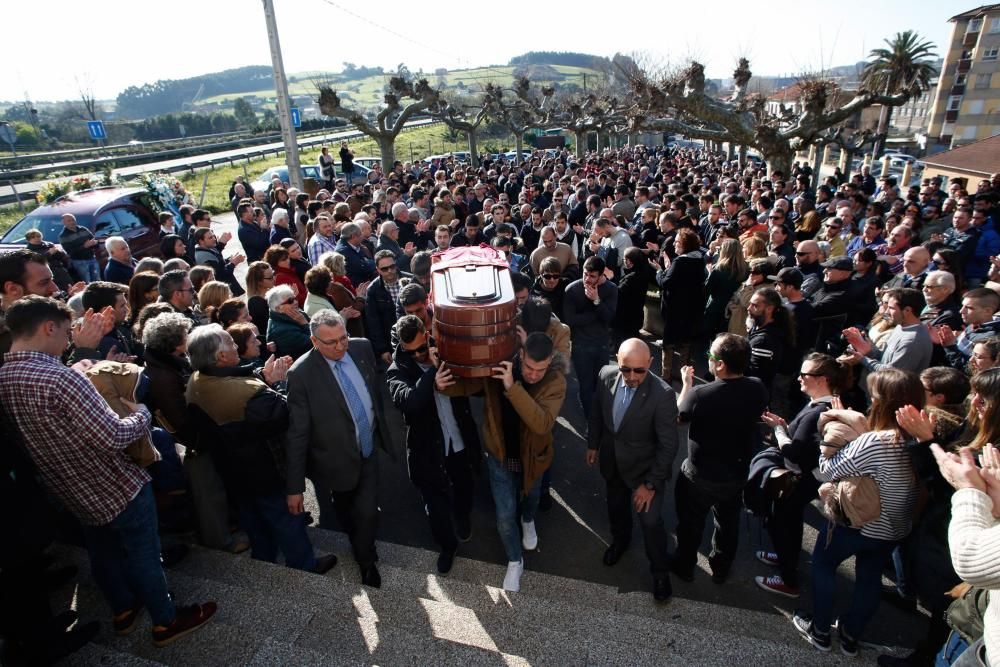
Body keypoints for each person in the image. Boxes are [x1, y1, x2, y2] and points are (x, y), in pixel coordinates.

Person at [0, 296, 217, 646]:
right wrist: (141, 414)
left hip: (68, 487)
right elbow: (113, 435)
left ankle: (123, 609)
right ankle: (167, 620)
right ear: (48, 327)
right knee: (144, 553)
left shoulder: (5, 374)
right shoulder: (59, 378)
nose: (69, 340)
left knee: (102, 550)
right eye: (67, 332)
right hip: (114, 484)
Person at [185, 325, 336, 575]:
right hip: (265, 471)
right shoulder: (245, 393)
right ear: (220, 357)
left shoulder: (197, 381)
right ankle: (304, 565)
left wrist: (263, 378)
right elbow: (281, 414)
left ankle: (264, 561)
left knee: (253, 520)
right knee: (287, 519)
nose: (235, 346)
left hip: (232, 471)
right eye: (230, 344)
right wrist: (277, 384)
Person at [793, 368, 924, 657]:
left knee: (823, 565)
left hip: (856, 524)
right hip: (893, 528)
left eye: (875, 395)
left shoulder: (876, 441)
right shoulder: (921, 439)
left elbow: (828, 470)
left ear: (886, 403)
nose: (870, 400)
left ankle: (821, 631)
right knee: (869, 578)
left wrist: (836, 428)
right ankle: (851, 637)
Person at [440, 332, 566, 593]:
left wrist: (512, 387)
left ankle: (529, 520)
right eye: (529, 367)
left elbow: (541, 423)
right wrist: (441, 383)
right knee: (505, 517)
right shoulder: (501, 368)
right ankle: (514, 560)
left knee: (530, 499)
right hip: (499, 457)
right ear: (521, 355)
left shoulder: (556, 381)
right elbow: (468, 386)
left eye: (539, 370)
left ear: (550, 361)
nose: (533, 374)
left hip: (533, 458)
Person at [285, 310, 395, 588]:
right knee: (347, 511)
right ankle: (357, 536)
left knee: (369, 512)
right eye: (331, 342)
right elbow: (298, 433)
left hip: (367, 450)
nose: (340, 346)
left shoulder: (362, 347)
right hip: (334, 461)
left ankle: (366, 561)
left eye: (343, 337)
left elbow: (373, 392)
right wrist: (294, 486)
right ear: (314, 341)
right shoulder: (301, 375)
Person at [672, 333, 769, 584]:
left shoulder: (701, 394)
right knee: (727, 524)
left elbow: (679, 417)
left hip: (699, 476)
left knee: (690, 524)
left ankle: (685, 566)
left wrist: (686, 385)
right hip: (736, 474)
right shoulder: (757, 387)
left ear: (720, 364)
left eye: (710, 356)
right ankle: (721, 567)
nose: (709, 360)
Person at [586, 339, 679, 602]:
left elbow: (668, 446)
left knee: (650, 524)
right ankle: (620, 542)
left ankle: (660, 574)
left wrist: (649, 485)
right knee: (615, 506)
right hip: (613, 462)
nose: (632, 377)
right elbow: (596, 412)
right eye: (626, 369)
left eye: (639, 370)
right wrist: (593, 443)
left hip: (645, 471)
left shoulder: (663, 395)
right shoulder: (606, 374)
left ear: (650, 363)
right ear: (617, 360)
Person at [386, 315, 479, 575]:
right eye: (410, 351)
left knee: (465, 486)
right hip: (428, 451)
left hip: (458, 440)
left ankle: (463, 520)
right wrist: (431, 379)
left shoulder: (445, 350)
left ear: (427, 335)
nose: (417, 355)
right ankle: (447, 546)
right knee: (436, 507)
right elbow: (410, 402)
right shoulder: (397, 370)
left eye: (421, 348)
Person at [755, 353, 846, 598]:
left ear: (823, 379)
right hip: (808, 480)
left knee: (782, 522)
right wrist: (786, 426)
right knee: (791, 522)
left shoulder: (818, 411)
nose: (799, 379)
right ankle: (785, 557)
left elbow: (795, 454)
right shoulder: (823, 404)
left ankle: (788, 579)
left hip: (797, 480)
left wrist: (778, 431)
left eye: (805, 375)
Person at [563, 256, 618, 413]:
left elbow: (609, 317)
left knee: (601, 385)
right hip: (581, 345)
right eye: (585, 274)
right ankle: (591, 422)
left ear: (601, 276)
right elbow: (571, 320)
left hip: (601, 344)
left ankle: (599, 416)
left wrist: (596, 301)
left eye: (592, 276)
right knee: (586, 386)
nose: (587, 279)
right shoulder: (572, 290)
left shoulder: (611, 289)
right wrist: (597, 314)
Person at [655, 228, 706, 379]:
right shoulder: (699, 260)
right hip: (692, 309)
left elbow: (665, 283)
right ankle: (684, 374)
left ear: (686, 244)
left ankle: (666, 374)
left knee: (669, 341)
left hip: (675, 309)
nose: (675, 244)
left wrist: (660, 271)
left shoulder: (680, 262)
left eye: (678, 242)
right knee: (686, 341)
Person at [365, 250, 406, 367]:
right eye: (384, 269)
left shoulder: (409, 280)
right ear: (378, 270)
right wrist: (382, 349)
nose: (389, 271)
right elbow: (373, 323)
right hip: (392, 343)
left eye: (392, 266)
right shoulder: (373, 290)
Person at [704, 239, 748, 337]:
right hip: (735, 309)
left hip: (717, 309)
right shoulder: (746, 269)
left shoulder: (719, 269)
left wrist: (710, 274)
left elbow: (707, 290)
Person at [192, 228, 245, 298]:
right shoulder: (203, 256)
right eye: (210, 238)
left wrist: (228, 260)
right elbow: (220, 275)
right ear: (201, 241)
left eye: (213, 236)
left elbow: (218, 259)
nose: (214, 239)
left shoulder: (207, 248)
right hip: (224, 291)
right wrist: (233, 263)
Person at [264, 285, 311, 360]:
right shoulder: (282, 332)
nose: (296, 302)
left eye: (295, 298)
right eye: (290, 301)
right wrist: (305, 324)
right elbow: (314, 344)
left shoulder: (292, 314)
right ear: (279, 308)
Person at [58, 213, 100, 283]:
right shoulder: (63, 236)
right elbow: (70, 252)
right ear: (63, 223)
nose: (72, 222)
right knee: (87, 282)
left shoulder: (83, 229)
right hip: (80, 262)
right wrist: (84, 246)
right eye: (69, 221)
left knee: (98, 281)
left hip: (92, 258)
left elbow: (93, 240)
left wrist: (95, 243)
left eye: (73, 220)